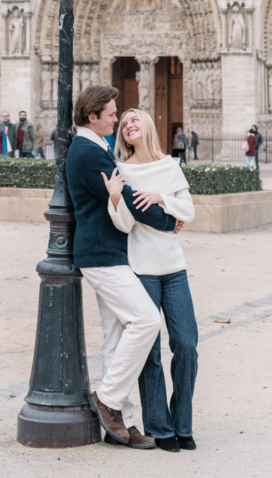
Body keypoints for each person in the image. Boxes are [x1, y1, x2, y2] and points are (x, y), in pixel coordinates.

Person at [65, 83, 176, 450]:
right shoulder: (87, 152)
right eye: (111, 114)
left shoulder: (93, 147)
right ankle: (109, 400)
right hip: (102, 256)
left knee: (115, 339)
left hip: (108, 253)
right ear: (92, 116)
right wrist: (168, 220)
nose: (116, 118)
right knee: (145, 321)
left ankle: (122, 425)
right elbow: (130, 198)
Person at [110, 107, 197, 452]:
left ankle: (183, 422)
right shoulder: (122, 171)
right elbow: (125, 225)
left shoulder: (169, 165)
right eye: (124, 122)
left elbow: (187, 211)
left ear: (146, 125)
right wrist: (118, 198)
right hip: (141, 269)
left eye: (135, 119)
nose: (129, 125)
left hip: (173, 268)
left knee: (187, 345)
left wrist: (162, 198)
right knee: (151, 354)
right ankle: (160, 427)